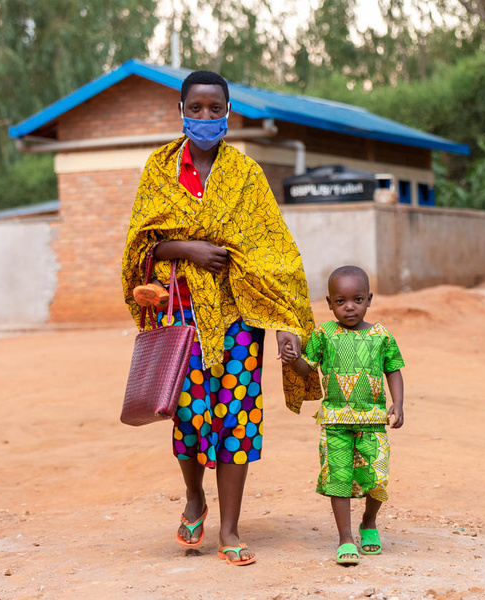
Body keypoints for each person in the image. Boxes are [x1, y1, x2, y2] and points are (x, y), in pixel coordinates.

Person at [120, 70, 321, 566]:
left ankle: (230, 528)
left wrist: (284, 319)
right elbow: (140, 244)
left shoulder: (246, 175)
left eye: (215, 109)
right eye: (196, 108)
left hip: (236, 318)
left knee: (237, 418)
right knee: (187, 416)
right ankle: (194, 498)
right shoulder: (160, 168)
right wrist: (189, 248)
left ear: (229, 113)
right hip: (181, 318)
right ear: (182, 110)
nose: (205, 117)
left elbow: (274, 251)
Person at [281, 265, 405, 566]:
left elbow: (394, 370)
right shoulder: (323, 334)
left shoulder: (381, 335)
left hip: (373, 423)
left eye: (357, 299)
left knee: (376, 477)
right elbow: (308, 369)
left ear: (369, 299)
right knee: (339, 477)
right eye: (341, 301)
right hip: (335, 422)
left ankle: (369, 523)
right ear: (329, 303)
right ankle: (345, 538)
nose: (349, 307)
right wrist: (293, 359)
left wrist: (398, 404)